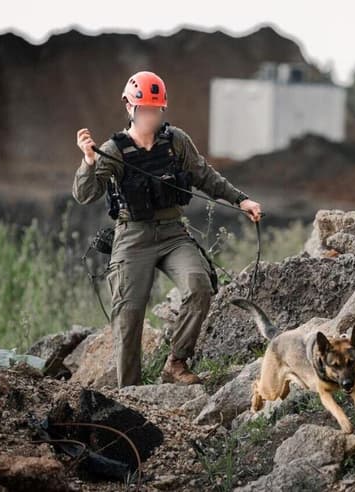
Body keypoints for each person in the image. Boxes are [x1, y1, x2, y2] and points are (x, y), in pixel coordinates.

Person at [72, 70, 261, 387]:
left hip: (172, 233)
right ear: (130, 108)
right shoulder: (114, 150)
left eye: (156, 110)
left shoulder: (176, 142)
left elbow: (205, 176)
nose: (151, 116)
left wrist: (242, 201)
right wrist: (88, 162)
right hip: (133, 237)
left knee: (199, 286)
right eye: (145, 110)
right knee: (128, 315)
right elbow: (84, 194)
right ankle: (129, 391)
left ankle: (176, 363)